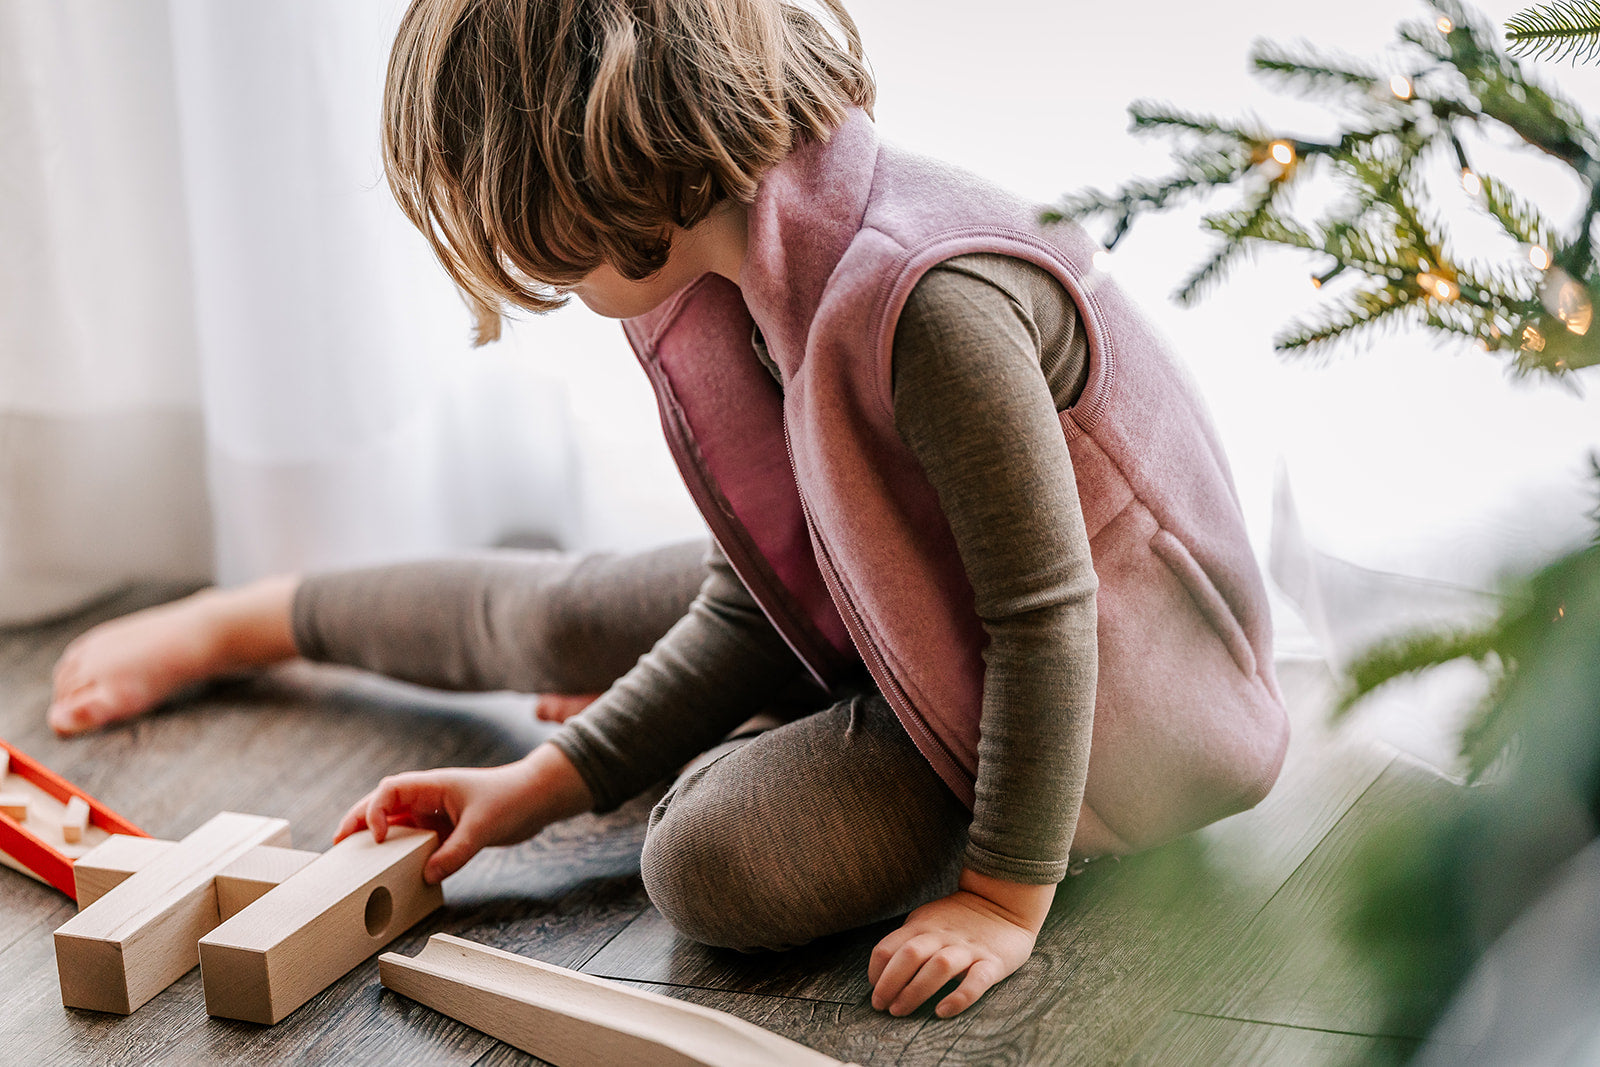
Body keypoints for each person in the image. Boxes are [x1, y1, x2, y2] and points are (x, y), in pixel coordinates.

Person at [46, 0, 1290, 1019]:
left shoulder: (929, 301)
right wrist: (540, 780)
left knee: (704, 857)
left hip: (1086, 717)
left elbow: (1041, 619)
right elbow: (750, 597)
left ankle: (842, 762)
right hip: (888, 621)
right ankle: (255, 619)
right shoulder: (731, 264)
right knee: (568, 611)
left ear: (592, 172)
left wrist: (1002, 897)